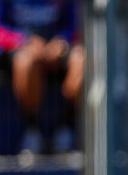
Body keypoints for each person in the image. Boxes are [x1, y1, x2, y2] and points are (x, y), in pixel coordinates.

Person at [0, 0, 83, 154]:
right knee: (27, 62)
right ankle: (32, 130)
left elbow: (76, 25)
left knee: (81, 60)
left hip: (58, 50)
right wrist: (24, 41)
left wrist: (62, 41)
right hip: (22, 51)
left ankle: (67, 128)